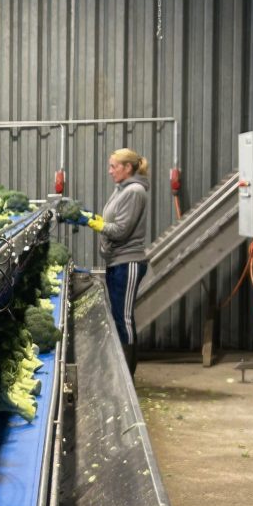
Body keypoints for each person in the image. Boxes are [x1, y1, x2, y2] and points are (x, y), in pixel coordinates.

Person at [84, 148, 150, 375]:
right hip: (116, 261)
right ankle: (121, 370)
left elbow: (121, 230)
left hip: (128, 262)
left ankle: (127, 375)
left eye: (114, 166)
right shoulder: (121, 190)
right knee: (118, 316)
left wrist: (94, 224)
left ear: (128, 167)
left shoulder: (134, 191)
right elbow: (112, 220)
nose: (109, 171)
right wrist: (94, 218)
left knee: (124, 318)